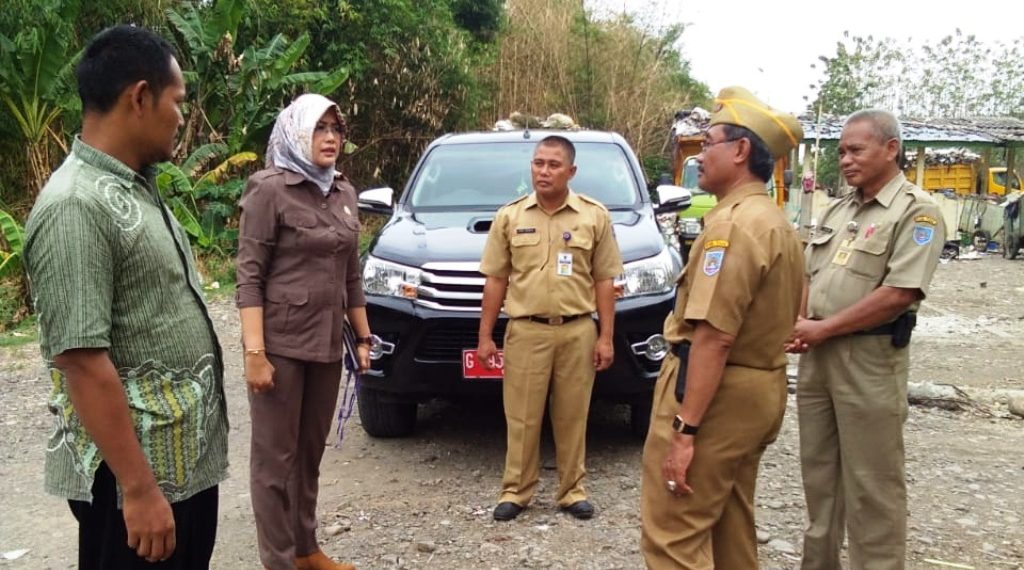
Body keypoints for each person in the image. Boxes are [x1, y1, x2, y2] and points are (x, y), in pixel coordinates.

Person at [22, 25, 228, 569]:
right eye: (177, 101)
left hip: (175, 473)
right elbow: (81, 361)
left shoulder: (133, 186)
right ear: (139, 97)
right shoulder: (75, 205)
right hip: (132, 484)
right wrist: (138, 489)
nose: (181, 117)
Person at [640, 86, 805, 568]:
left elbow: (714, 336)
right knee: (729, 524)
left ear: (740, 150)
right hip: (757, 389)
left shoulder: (732, 226)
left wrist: (685, 430)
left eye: (708, 143)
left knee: (674, 533)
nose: (699, 155)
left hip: (716, 395)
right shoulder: (773, 221)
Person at [788, 109, 945, 570]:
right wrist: (801, 321)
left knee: (872, 484)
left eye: (856, 150)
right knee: (820, 477)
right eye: (841, 152)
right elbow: (809, 274)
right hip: (819, 357)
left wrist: (823, 328)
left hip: (870, 359)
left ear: (891, 149)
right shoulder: (838, 210)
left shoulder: (916, 211)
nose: (845, 160)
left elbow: (900, 293)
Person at [235, 93, 371, 570]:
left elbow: (351, 275)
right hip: (281, 346)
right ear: (296, 133)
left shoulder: (343, 191)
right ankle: (279, 562)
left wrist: (364, 338)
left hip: (327, 344)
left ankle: (306, 550)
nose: (330, 138)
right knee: (275, 462)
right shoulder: (269, 189)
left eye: (336, 129)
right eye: (319, 128)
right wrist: (255, 353)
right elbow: (249, 277)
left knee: (309, 454)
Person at [477, 135, 623, 522]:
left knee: (573, 414)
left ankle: (572, 491)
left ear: (571, 171)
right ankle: (516, 490)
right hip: (526, 330)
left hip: (577, 330)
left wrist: (606, 337)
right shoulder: (511, 216)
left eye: (553, 165)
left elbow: (605, 280)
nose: (544, 171)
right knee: (522, 416)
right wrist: (485, 336)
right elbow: (495, 279)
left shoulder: (593, 216)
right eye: (538, 163)